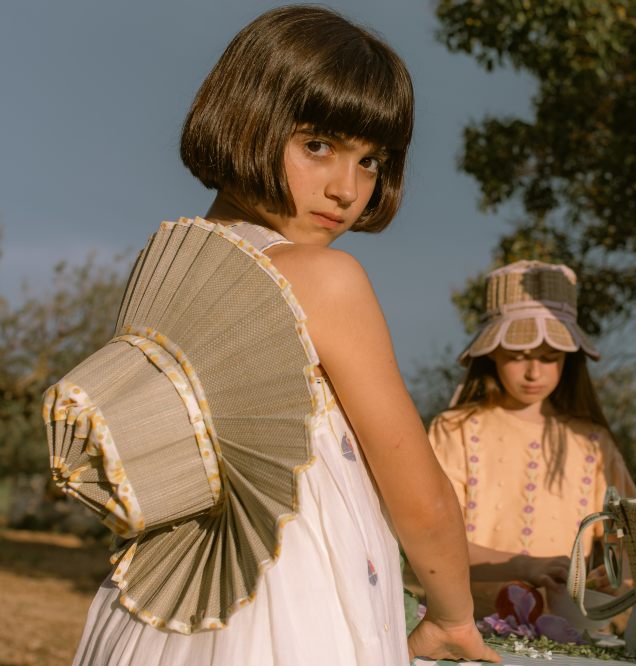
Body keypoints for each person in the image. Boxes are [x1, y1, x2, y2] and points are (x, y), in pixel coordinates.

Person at [59, 6, 497, 664]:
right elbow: (417, 490)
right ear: (245, 117)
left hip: (163, 610)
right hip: (293, 607)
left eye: (371, 160)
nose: (347, 189)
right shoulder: (323, 279)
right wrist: (452, 614)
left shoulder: (168, 271)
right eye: (317, 144)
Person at [426, 260, 636, 619]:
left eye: (549, 357)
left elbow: (634, 538)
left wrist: (617, 579)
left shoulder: (593, 442)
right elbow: (431, 544)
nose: (533, 372)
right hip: (470, 629)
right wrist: (525, 566)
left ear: (569, 358)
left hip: (569, 633)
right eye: (516, 356)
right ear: (490, 352)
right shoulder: (454, 431)